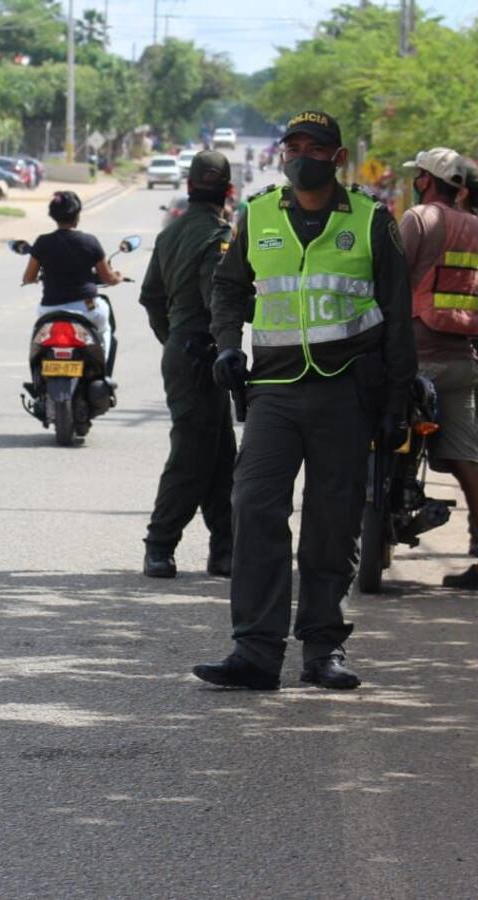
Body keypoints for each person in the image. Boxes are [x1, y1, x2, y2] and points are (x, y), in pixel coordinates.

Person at [196, 110, 416, 691]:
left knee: (333, 522)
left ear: (337, 157)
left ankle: (322, 649)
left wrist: (397, 398)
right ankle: (255, 652)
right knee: (254, 506)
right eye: (292, 145)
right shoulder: (257, 213)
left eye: (314, 147)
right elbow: (228, 286)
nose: (301, 155)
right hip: (273, 389)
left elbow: (397, 314)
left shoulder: (372, 220)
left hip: (347, 391)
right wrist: (225, 345)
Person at [137, 151, 235, 579]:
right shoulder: (216, 236)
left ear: (190, 186)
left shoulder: (171, 232)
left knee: (221, 454)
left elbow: (150, 297)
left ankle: (225, 548)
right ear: (228, 191)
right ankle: (160, 543)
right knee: (193, 453)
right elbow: (219, 300)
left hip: (185, 348)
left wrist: (172, 338)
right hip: (202, 352)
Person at [397, 148, 478, 587]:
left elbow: (390, 278)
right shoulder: (475, 227)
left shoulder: (420, 219)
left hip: (415, 357)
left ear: (427, 180)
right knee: (468, 457)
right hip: (461, 358)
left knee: (373, 431)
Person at [21, 190, 121, 360]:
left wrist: (36, 279)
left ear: (53, 215)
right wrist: (117, 277)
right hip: (86, 309)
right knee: (105, 330)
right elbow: (108, 278)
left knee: (38, 338)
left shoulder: (42, 242)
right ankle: (103, 368)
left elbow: (28, 278)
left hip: (49, 310)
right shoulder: (90, 241)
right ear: (77, 216)